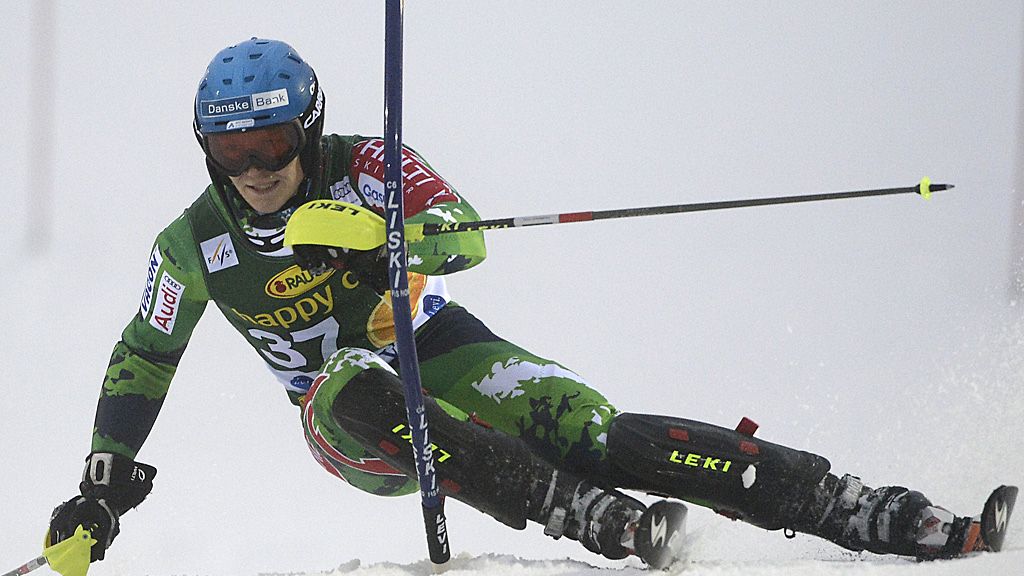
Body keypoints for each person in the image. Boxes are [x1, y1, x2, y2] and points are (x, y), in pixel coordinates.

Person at [47, 38, 1015, 570]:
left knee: (597, 430)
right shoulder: (191, 244)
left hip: (438, 344)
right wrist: (102, 485)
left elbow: (462, 233)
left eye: (269, 150)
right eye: (230, 155)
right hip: (349, 417)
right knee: (347, 378)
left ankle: (864, 508)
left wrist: (367, 233)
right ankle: (576, 513)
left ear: (306, 129)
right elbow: (144, 353)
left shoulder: (365, 164)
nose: (254, 174)